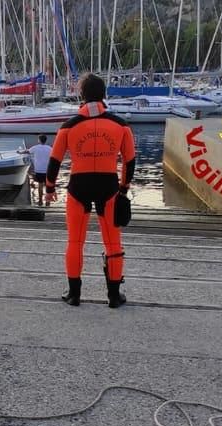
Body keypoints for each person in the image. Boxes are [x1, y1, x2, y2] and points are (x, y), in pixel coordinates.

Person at [45, 74, 136, 309]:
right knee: (113, 243)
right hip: (108, 187)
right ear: (104, 94)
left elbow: (54, 161)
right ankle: (114, 296)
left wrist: (49, 188)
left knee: (75, 241)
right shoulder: (121, 125)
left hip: (78, 187)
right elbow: (129, 161)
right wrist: (124, 188)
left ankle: (74, 294)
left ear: (82, 96)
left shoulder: (68, 126)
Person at [27, 134, 51, 205]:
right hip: (47, 170)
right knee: (48, 186)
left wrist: (19, 152)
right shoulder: (49, 148)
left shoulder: (35, 147)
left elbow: (27, 151)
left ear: (39, 140)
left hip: (39, 170)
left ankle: (40, 201)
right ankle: (48, 201)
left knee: (40, 185)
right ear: (46, 140)